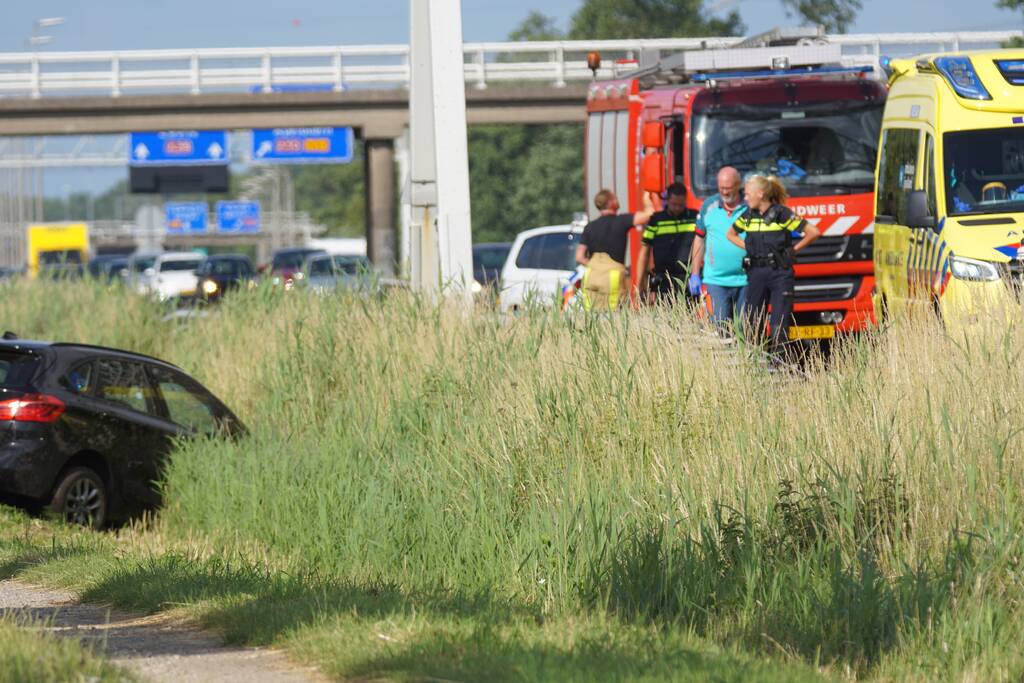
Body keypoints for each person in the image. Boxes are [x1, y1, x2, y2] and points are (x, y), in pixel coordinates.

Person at [726, 175, 820, 352]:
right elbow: (730, 234)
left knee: (779, 325)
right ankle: (756, 362)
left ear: (760, 194)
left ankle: (780, 363)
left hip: (779, 274)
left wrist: (793, 250)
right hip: (756, 273)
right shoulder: (747, 216)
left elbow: (813, 232)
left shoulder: (782, 214)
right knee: (753, 323)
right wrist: (749, 247)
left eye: (748, 194)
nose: (745, 198)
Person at [576, 189, 655, 311]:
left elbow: (579, 257)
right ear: (610, 203)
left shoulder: (589, 227)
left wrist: (597, 267)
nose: (618, 200)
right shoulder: (621, 221)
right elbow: (650, 215)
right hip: (612, 279)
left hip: (591, 278)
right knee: (614, 317)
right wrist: (647, 200)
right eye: (615, 198)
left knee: (592, 316)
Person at [690, 167, 748, 328]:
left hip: (746, 280)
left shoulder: (749, 206)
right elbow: (699, 239)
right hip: (716, 281)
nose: (724, 192)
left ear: (738, 185)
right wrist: (695, 273)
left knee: (747, 329)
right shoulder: (709, 206)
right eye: (721, 188)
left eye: (728, 188)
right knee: (720, 328)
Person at [635, 183, 702, 304]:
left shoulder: (694, 218)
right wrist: (640, 283)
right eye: (674, 204)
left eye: (681, 205)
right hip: (663, 280)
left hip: (687, 279)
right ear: (667, 201)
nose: (677, 208)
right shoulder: (656, 220)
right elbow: (644, 252)